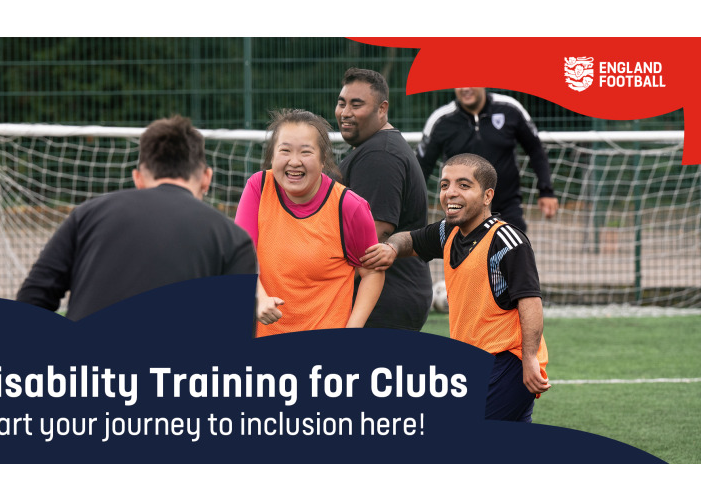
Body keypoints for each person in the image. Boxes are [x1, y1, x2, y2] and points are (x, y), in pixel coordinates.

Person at [362, 153, 550, 422]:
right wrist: (392, 247)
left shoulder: (506, 240)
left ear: (487, 196)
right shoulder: (449, 232)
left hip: (508, 359)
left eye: (463, 185)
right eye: (444, 185)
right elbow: (411, 239)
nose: (450, 193)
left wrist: (530, 358)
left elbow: (530, 300)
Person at [16, 115, 257, 321]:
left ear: (138, 177)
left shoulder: (87, 215)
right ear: (206, 177)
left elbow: (32, 298)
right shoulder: (233, 239)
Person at [234, 109, 384, 337]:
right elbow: (241, 255)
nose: (294, 162)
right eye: (285, 151)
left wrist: (353, 330)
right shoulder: (259, 187)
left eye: (306, 152)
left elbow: (372, 273)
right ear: (272, 156)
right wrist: (259, 297)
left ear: (323, 159)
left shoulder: (350, 206)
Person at [335, 67, 433, 331]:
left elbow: (371, 240)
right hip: (390, 297)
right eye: (342, 103)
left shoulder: (379, 156)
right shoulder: (374, 148)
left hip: (385, 300)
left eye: (357, 105)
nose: (345, 112)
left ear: (382, 109)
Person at [416, 87, 559, 233]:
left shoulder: (510, 108)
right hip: (461, 214)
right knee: (466, 256)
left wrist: (546, 190)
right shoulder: (440, 120)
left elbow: (536, 150)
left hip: (507, 210)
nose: (465, 88)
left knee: (515, 254)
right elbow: (420, 168)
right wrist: (411, 206)